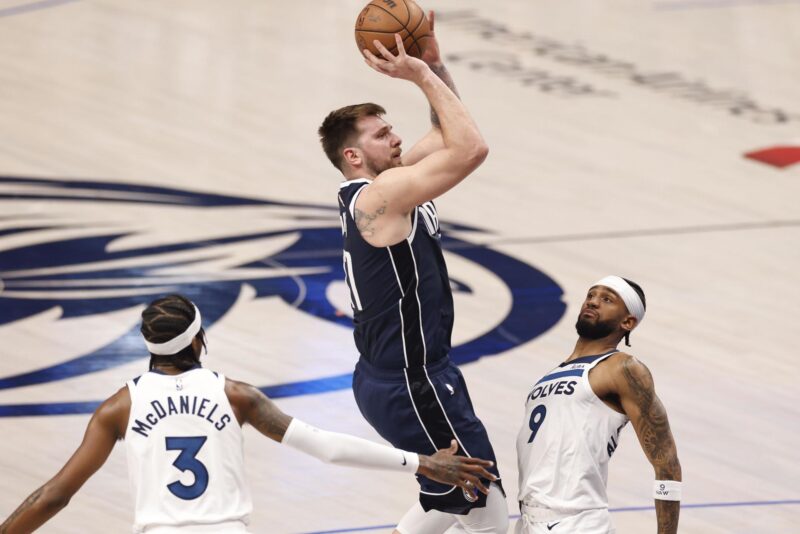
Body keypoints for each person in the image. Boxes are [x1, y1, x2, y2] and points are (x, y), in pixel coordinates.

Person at [0, 294, 498, 534]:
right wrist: (421, 462)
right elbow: (324, 446)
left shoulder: (118, 407)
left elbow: (54, 496)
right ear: (198, 340)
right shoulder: (236, 395)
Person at [317, 12, 508, 534]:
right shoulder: (379, 197)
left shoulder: (390, 183)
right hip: (409, 380)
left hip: (414, 374)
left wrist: (434, 64)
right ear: (354, 156)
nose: (396, 139)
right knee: (484, 500)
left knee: (448, 501)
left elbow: (447, 131)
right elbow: (472, 149)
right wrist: (419, 77)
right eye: (383, 135)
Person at [515, 276, 682, 534]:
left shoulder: (623, 369)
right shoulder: (547, 376)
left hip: (576, 523)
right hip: (527, 520)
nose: (593, 301)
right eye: (591, 295)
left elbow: (667, 463)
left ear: (627, 322)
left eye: (607, 299)